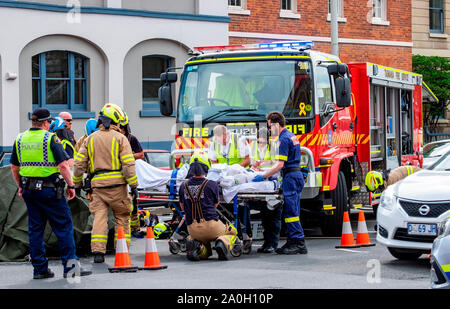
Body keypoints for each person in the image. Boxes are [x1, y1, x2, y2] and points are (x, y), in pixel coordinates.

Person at [9, 108, 91, 279]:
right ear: (46, 122)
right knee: (63, 227)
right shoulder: (50, 138)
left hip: (29, 191)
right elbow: (63, 165)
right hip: (50, 190)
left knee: (35, 230)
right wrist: (70, 185)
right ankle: (71, 268)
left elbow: (14, 167)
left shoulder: (20, 138)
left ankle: (39, 269)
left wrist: (20, 186)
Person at [72, 103, 139, 264]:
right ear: (114, 121)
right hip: (118, 187)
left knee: (99, 219)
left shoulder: (90, 139)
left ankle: (98, 253)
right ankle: (121, 251)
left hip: (98, 187)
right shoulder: (121, 139)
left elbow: (78, 164)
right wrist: (134, 185)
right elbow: (128, 164)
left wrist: (77, 184)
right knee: (122, 218)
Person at [252, 111, 307, 255]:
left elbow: (279, 165)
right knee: (292, 211)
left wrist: (263, 176)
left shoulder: (283, 139)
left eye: (270, 126)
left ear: (276, 124)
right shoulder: (290, 135)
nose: (270, 130)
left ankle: (298, 242)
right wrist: (263, 162)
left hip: (291, 177)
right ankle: (292, 241)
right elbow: (279, 161)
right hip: (295, 175)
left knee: (291, 213)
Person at [179, 151, 238, 261]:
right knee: (233, 232)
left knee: (203, 246)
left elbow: (182, 207)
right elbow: (215, 204)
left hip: (192, 228)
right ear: (206, 167)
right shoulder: (211, 184)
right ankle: (222, 243)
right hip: (212, 226)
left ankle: (199, 248)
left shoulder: (183, 185)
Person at [208, 125, 253, 251]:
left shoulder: (239, 140)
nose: (221, 142)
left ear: (226, 134)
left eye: (222, 139)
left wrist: (234, 168)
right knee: (224, 208)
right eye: (218, 139)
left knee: (241, 206)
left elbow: (247, 159)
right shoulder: (214, 143)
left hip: (238, 175)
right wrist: (222, 170)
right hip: (223, 177)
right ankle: (227, 234)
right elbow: (214, 161)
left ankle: (245, 234)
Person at [249, 127, 282, 253]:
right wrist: (254, 166)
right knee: (264, 216)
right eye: (259, 142)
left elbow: (276, 163)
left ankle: (272, 244)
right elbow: (251, 163)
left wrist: (263, 163)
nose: (260, 144)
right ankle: (266, 243)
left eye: (263, 142)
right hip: (261, 182)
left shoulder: (274, 146)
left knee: (273, 216)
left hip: (272, 181)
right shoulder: (253, 146)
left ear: (268, 140)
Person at [118, 112, 145, 238]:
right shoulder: (113, 138)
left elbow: (141, 154)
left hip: (130, 174)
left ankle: (135, 228)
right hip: (117, 177)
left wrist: (128, 157)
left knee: (133, 203)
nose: (121, 130)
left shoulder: (131, 139)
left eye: (123, 128)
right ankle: (124, 229)